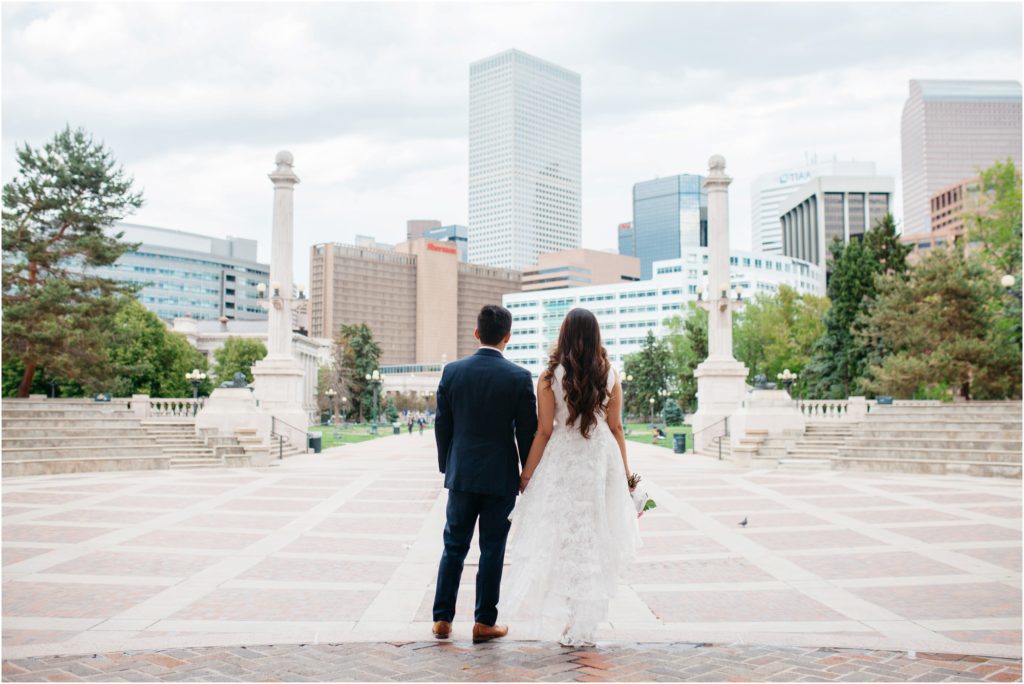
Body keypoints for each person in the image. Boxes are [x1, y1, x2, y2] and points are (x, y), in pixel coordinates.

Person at [499, 307, 642, 647]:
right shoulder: (610, 374)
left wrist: (527, 474)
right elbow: (616, 427)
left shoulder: (549, 377)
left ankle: (571, 615)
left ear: (563, 334)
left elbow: (544, 431)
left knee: (562, 536)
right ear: (596, 336)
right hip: (598, 462)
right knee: (595, 534)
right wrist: (624, 474)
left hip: (564, 462)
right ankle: (583, 622)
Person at [432, 305, 537, 644]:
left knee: (453, 545)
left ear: (476, 333)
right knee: (492, 549)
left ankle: (442, 620)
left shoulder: (452, 372)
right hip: (500, 476)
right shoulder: (519, 377)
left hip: (462, 473)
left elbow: (442, 425)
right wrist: (526, 473)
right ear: (507, 337)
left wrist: (448, 464)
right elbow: (528, 432)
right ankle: (483, 621)